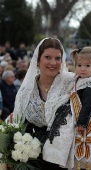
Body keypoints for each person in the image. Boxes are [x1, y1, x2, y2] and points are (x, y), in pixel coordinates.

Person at [12, 37, 75, 170]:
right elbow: (20, 127)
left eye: (57, 58)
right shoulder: (26, 91)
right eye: (47, 57)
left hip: (67, 157)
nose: (53, 62)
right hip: (36, 160)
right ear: (37, 60)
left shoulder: (71, 82)